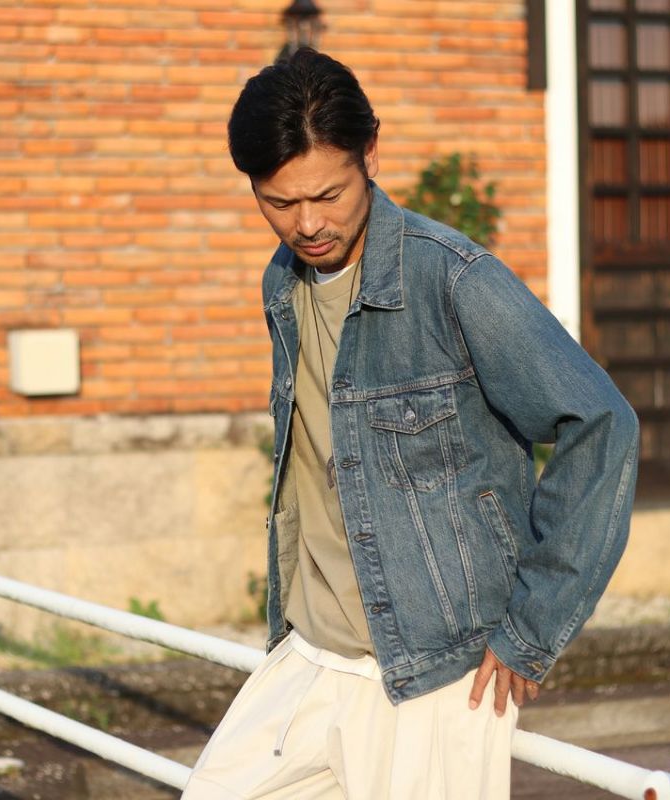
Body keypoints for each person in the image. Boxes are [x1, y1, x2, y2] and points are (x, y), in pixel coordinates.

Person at [181, 48, 639, 800]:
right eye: (278, 202)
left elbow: (602, 422)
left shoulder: (453, 280)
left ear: (370, 154)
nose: (307, 224)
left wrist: (533, 627)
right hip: (311, 653)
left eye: (327, 195)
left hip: (438, 675)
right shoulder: (283, 281)